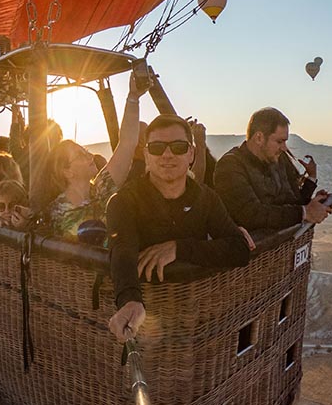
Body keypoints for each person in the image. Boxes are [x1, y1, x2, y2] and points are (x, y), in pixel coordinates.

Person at [107, 114, 254, 342]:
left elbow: (239, 249)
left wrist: (179, 248)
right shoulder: (124, 201)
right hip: (149, 327)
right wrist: (129, 300)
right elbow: (122, 251)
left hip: (196, 324)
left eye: (178, 146)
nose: (167, 155)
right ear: (146, 155)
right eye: (156, 148)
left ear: (191, 154)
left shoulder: (206, 199)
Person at [45, 72, 149, 240]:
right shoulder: (55, 211)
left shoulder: (102, 188)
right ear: (67, 172)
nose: (90, 156)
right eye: (81, 155)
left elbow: (127, 144)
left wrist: (133, 98)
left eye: (86, 151)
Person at [213, 107, 332, 234]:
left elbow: (294, 202)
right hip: (258, 251)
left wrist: (312, 189)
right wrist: (304, 212)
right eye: (279, 141)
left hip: (284, 247)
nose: (284, 148)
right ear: (259, 138)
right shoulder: (230, 166)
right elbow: (250, 215)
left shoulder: (278, 160)